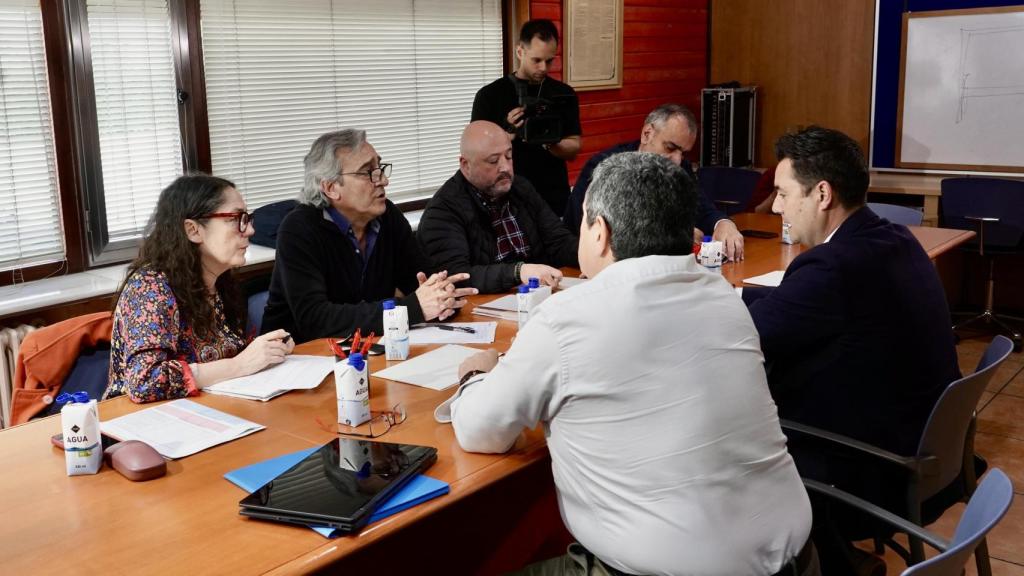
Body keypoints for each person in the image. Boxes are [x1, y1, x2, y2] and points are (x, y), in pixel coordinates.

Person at [443, 152, 815, 576]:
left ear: (599, 232)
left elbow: (480, 431)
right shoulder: (723, 299)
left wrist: (474, 375)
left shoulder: (567, 318)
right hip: (798, 560)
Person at [742, 126, 960, 574]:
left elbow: (748, 336)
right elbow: (794, 307)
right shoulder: (895, 239)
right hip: (921, 448)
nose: (777, 205)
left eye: (783, 193)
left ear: (822, 193)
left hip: (867, 468)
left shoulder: (833, 266)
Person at [261, 130, 477, 343]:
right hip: (298, 359)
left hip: (366, 348)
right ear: (331, 187)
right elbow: (316, 320)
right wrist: (412, 308)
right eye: (367, 173)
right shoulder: (299, 229)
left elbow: (422, 281)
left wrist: (442, 296)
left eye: (380, 168)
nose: (383, 180)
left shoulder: (387, 216)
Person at [106, 175, 296, 403]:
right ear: (193, 230)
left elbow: (223, 357)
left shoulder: (218, 281)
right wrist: (240, 364)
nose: (250, 230)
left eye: (248, 218)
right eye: (236, 219)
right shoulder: (150, 287)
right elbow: (144, 381)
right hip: (145, 424)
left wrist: (266, 351)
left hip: (209, 409)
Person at [563, 103, 747, 261]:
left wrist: (723, 223)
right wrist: (674, 236)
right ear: (647, 134)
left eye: (683, 152)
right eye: (670, 148)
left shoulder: (680, 167)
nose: (676, 159)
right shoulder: (604, 166)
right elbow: (596, 231)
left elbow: (702, 208)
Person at [418, 121, 578, 293]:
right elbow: (456, 277)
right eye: (493, 161)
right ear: (466, 165)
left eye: (509, 156)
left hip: (537, 294)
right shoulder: (443, 210)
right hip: (481, 309)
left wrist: (594, 255)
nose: (505, 167)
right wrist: (519, 272)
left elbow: (559, 241)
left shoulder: (521, 188)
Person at [471, 19, 581, 216]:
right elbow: (476, 154)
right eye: (536, 60)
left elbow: (574, 147)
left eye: (549, 60)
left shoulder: (564, 94)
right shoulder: (490, 96)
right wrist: (508, 133)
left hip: (553, 198)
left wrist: (549, 141)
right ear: (520, 52)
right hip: (507, 198)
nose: (543, 68)